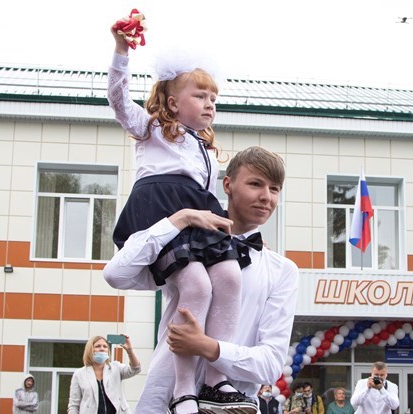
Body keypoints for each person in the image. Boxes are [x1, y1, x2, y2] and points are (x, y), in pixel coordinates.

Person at [108, 13, 254, 414]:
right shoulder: (152, 128)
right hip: (162, 209)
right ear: (173, 102)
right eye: (199, 96)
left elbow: (210, 200)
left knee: (228, 278)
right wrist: (122, 52)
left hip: (198, 208)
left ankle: (215, 377)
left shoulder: (206, 149)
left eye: (213, 98)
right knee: (197, 288)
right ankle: (183, 388)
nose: (209, 104)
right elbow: (119, 100)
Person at [103, 146, 298, 414]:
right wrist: (179, 220)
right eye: (255, 184)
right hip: (162, 402)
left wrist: (209, 347)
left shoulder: (282, 271)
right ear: (227, 185)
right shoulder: (183, 246)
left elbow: (271, 363)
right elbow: (117, 274)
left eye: (275, 189)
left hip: (231, 405)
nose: (266, 197)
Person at [67, 335, 140, 414]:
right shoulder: (79, 374)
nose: (102, 348)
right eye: (98, 346)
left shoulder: (115, 368)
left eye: (105, 346)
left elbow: (135, 369)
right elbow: (74, 405)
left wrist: (130, 351)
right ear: (90, 350)